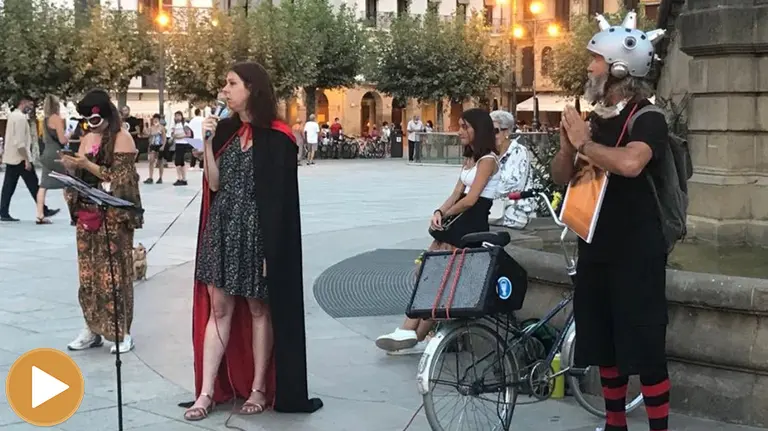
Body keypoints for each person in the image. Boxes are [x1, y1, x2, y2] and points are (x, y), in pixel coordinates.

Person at [183, 62, 323, 421]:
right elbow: (213, 185)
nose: (224, 90)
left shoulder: (278, 137)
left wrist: (271, 251)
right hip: (223, 230)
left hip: (258, 233)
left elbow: (280, 202)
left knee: (260, 309)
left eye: (231, 84)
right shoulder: (226, 131)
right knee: (219, 309)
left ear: (252, 88)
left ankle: (260, 386)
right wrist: (208, 143)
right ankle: (206, 391)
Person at [551, 12, 670, 431]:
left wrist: (586, 142)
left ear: (620, 68)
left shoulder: (648, 118)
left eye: (596, 59)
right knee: (605, 345)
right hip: (595, 244)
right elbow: (562, 177)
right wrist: (569, 146)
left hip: (636, 251)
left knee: (645, 350)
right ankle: (615, 424)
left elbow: (632, 163)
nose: (589, 67)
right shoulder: (596, 119)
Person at [375, 108, 500, 354]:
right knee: (433, 275)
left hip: (470, 221)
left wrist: (446, 214)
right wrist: (438, 211)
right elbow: (456, 193)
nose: (460, 131)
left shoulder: (488, 161)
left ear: (479, 129)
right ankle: (411, 332)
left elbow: (472, 199)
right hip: (458, 220)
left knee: (442, 279)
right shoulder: (471, 157)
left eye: (465, 127)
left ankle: (413, 333)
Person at [61, 89, 143, 355]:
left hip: (113, 218)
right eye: (86, 121)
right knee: (88, 276)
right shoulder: (86, 138)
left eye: (94, 120)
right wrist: (72, 169)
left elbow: (121, 180)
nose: (90, 126)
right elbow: (82, 176)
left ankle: (122, 332)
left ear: (107, 115)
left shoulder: (123, 138)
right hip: (88, 214)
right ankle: (92, 328)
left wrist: (87, 165)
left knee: (114, 275)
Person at [0, 97, 59, 222]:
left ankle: (3, 211)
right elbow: (20, 142)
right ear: (23, 102)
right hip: (20, 158)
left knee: (9, 186)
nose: (31, 107)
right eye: (30, 104)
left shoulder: (13, 116)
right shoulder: (21, 118)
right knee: (33, 184)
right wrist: (26, 159)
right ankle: (43, 209)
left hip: (12, 157)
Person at [489, 110, 534, 229]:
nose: (490, 135)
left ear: (507, 131)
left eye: (495, 131)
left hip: (513, 212)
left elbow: (510, 186)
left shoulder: (519, 152)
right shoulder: (488, 152)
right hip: (491, 210)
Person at [37, 95, 70, 224]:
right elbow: (62, 140)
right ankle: (73, 214)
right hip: (56, 153)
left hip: (46, 153)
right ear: (56, 105)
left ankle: (39, 214)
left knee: (43, 185)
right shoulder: (57, 119)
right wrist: (69, 135)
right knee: (67, 183)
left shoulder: (44, 120)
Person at [144, 114, 166, 184]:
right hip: (153, 145)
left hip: (159, 145)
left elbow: (164, 138)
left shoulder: (162, 128)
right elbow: (147, 134)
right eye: (154, 119)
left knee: (160, 162)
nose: (155, 120)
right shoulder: (151, 128)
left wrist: (163, 146)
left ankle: (160, 177)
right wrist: (145, 126)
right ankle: (150, 177)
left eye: (157, 119)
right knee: (151, 160)